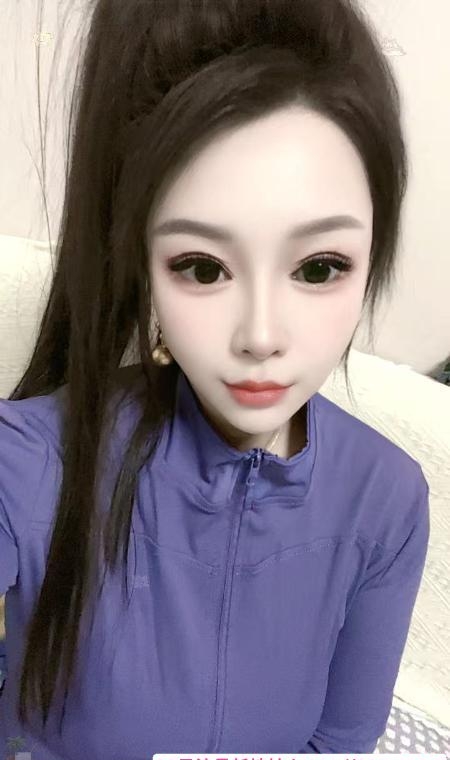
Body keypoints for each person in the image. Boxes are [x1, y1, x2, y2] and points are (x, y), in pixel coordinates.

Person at [0, 0, 430, 756]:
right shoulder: (31, 459)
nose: (261, 336)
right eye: (202, 268)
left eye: (319, 268)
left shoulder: (386, 500)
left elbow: (340, 744)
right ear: (141, 265)